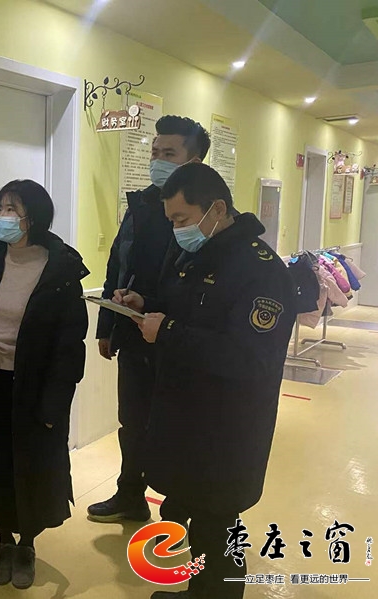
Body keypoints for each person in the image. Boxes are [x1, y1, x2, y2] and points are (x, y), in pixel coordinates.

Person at [117, 163, 296, 599]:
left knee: (218, 527)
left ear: (216, 209)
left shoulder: (261, 271)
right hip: (189, 417)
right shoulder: (201, 254)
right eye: (171, 220)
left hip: (228, 427)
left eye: (181, 218)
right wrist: (146, 303)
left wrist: (168, 331)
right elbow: (190, 310)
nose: (177, 229)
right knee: (200, 519)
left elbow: (249, 358)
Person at [0, 180, 89, 590]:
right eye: (0, 207)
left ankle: (27, 544)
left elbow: (69, 346)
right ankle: (4, 539)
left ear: (33, 218)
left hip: (35, 390)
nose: (3, 217)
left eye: (13, 209)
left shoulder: (60, 269)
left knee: (32, 466)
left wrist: (54, 405)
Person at [88, 116, 211, 526]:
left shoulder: (205, 217)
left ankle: (178, 511)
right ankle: (130, 495)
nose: (157, 161)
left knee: (176, 426)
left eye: (169, 154)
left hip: (179, 340)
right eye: (155, 152)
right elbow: (117, 263)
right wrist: (107, 326)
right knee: (132, 422)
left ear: (193, 162)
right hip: (133, 330)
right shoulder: (141, 204)